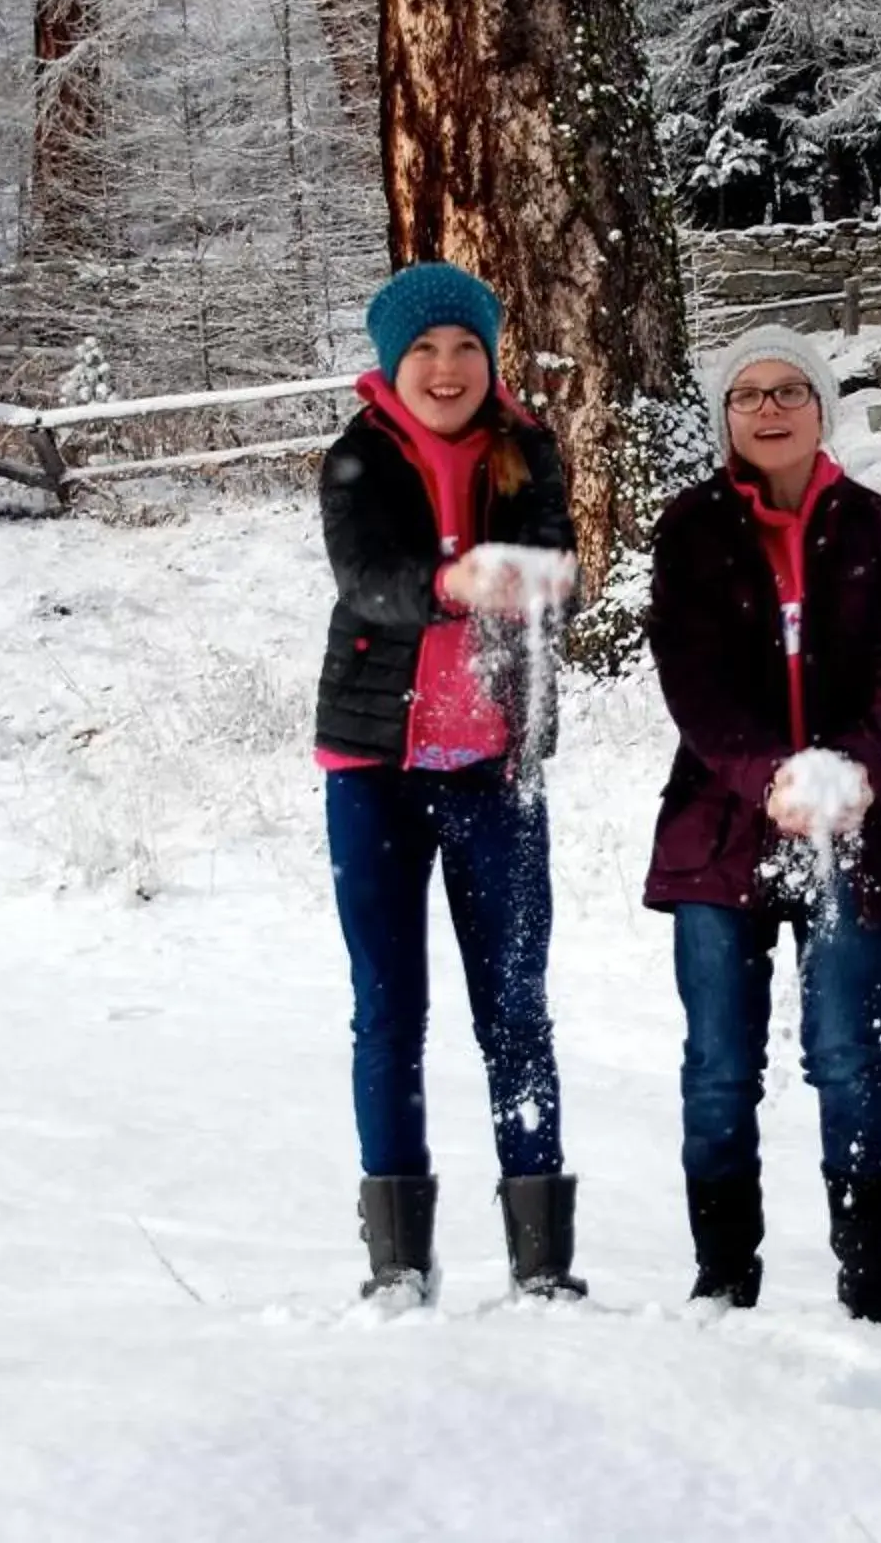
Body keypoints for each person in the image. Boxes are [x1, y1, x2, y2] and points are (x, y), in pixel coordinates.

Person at [644, 322, 881, 1327]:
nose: (769, 408)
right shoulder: (689, 529)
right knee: (721, 1064)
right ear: (727, 417)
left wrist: (854, 766)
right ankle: (723, 1280)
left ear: (821, 407)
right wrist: (766, 773)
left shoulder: (879, 530)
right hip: (720, 828)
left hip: (852, 826)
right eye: (748, 394)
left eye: (789, 391)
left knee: (847, 1055)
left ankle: (872, 1287)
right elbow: (693, 679)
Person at [316, 261, 583, 1303]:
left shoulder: (529, 448)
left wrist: (540, 577)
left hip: (494, 769)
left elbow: (559, 561)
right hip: (373, 767)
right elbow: (366, 581)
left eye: (466, 345)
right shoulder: (358, 459)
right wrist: (448, 582)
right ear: (394, 361)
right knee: (388, 1005)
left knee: (516, 1003)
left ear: (490, 357)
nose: (446, 366)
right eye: (424, 348)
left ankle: (543, 1260)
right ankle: (397, 1262)